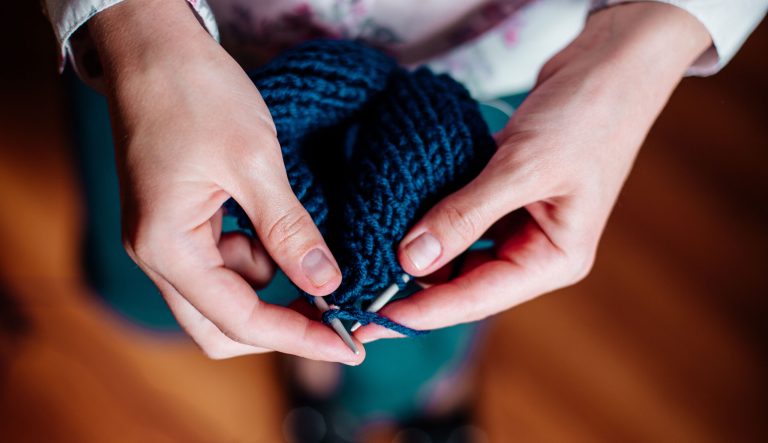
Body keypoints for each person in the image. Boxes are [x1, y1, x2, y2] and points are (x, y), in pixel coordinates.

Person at [43, 0, 766, 365]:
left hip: (515, 73)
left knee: (438, 272)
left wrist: (655, 32)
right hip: (178, 65)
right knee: (161, 261)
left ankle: (385, 384)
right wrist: (135, 25)